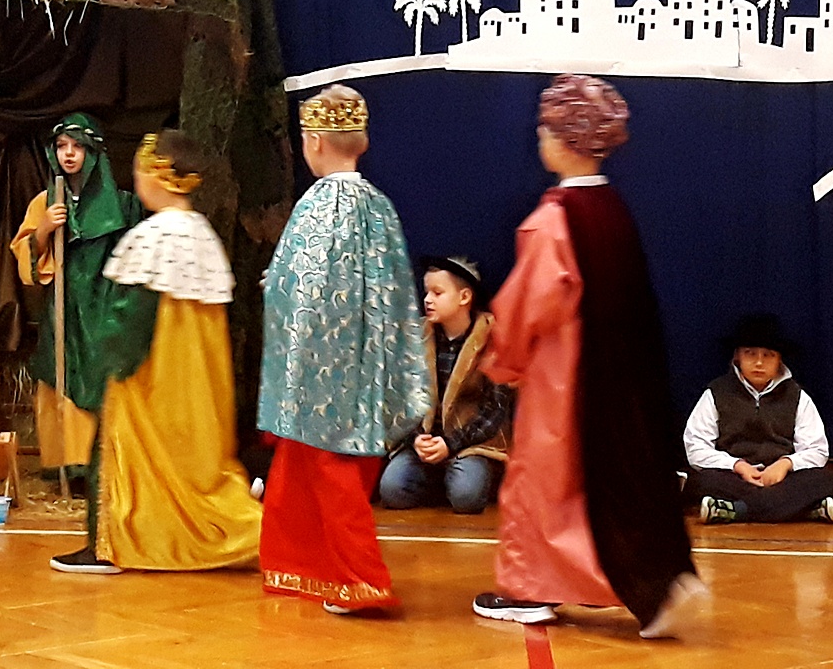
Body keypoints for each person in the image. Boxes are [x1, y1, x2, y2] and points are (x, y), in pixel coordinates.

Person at [473, 74, 702, 639]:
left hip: (563, 380)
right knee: (602, 484)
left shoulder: (554, 220)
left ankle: (531, 589)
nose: (540, 137)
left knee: (542, 482)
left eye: (546, 128)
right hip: (617, 378)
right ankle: (642, 579)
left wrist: (503, 361)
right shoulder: (613, 209)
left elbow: (527, 307)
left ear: (566, 139)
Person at [49, 131, 261, 573]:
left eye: (141, 171)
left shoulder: (156, 237)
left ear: (159, 176)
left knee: (131, 460)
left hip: (151, 384)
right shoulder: (200, 234)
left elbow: (132, 317)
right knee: (187, 465)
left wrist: (110, 364)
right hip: (192, 388)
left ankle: (111, 546)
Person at [257, 85, 431, 614]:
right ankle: (314, 570)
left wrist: (276, 287)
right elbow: (396, 291)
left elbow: (305, 293)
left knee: (329, 469)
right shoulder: (379, 207)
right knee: (325, 469)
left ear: (313, 141)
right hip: (369, 361)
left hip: (322, 367)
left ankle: (361, 582)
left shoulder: (317, 206)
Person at [11, 114, 141, 476]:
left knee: (102, 376)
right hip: (65, 306)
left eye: (77, 147)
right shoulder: (45, 202)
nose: (68, 154)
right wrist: (43, 230)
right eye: (61, 146)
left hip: (104, 304)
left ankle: (104, 463)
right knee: (62, 375)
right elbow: (28, 263)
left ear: (93, 152)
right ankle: (67, 463)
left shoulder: (123, 205)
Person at [379, 256, 511, 514]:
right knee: (392, 490)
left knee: (467, 497)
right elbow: (401, 397)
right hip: (425, 443)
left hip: (469, 444)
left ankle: (465, 479)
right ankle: (439, 479)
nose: (427, 299)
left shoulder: (493, 339)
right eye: (427, 292)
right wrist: (416, 438)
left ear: (464, 297)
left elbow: (495, 409)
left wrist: (451, 443)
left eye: (437, 293)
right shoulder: (416, 337)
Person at [684, 313, 833, 524]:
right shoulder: (716, 393)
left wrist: (785, 464)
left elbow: (817, 450)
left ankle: (733, 510)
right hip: (734, 477)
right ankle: (801, 510)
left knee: (830, 479)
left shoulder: (797, 396)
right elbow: (696, 447)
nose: (759, 362)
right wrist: (738, 466)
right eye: (750, 354)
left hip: (783, 479)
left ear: (779, 360)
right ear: (737, 357)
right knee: (699, 481)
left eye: (768, 355)